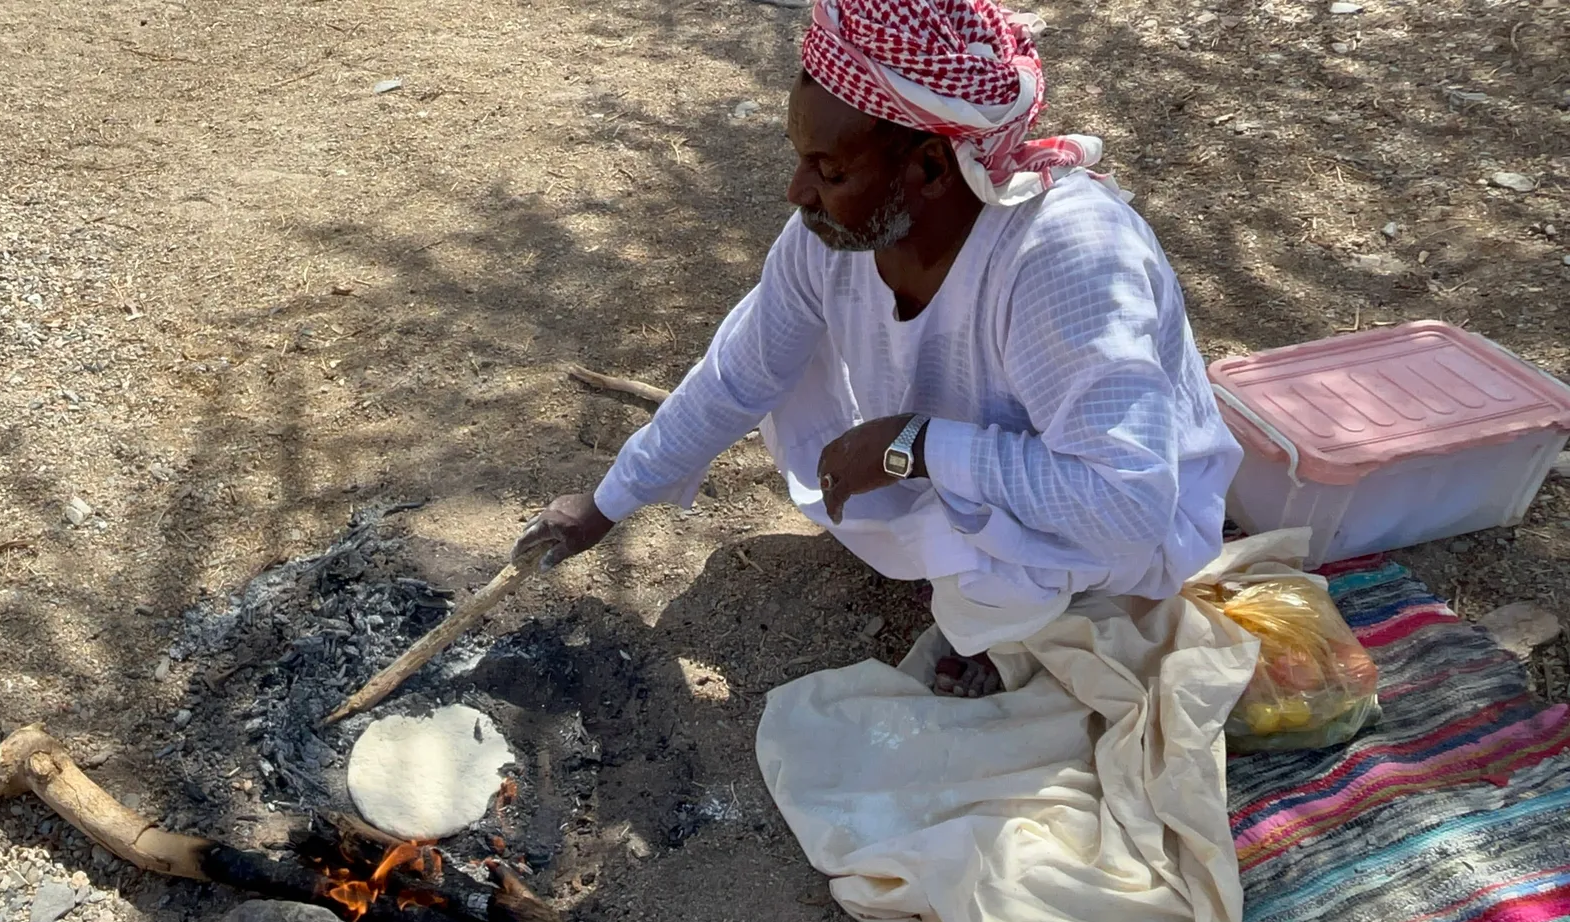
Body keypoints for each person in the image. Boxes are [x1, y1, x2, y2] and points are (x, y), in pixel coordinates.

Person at [514, 0, 1241, 694]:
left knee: (1010, 585)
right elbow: (738, 375)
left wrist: (912, 447)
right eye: (802, 159)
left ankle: (1020, 625)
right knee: (777, 354)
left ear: (928, 167)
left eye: (830, 172)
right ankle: (968, 567)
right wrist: (606, 503)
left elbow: (1127, 505)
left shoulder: (1066, 257)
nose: (797, 192)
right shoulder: (829, 240)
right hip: (966, 466)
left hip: (1124, 517)